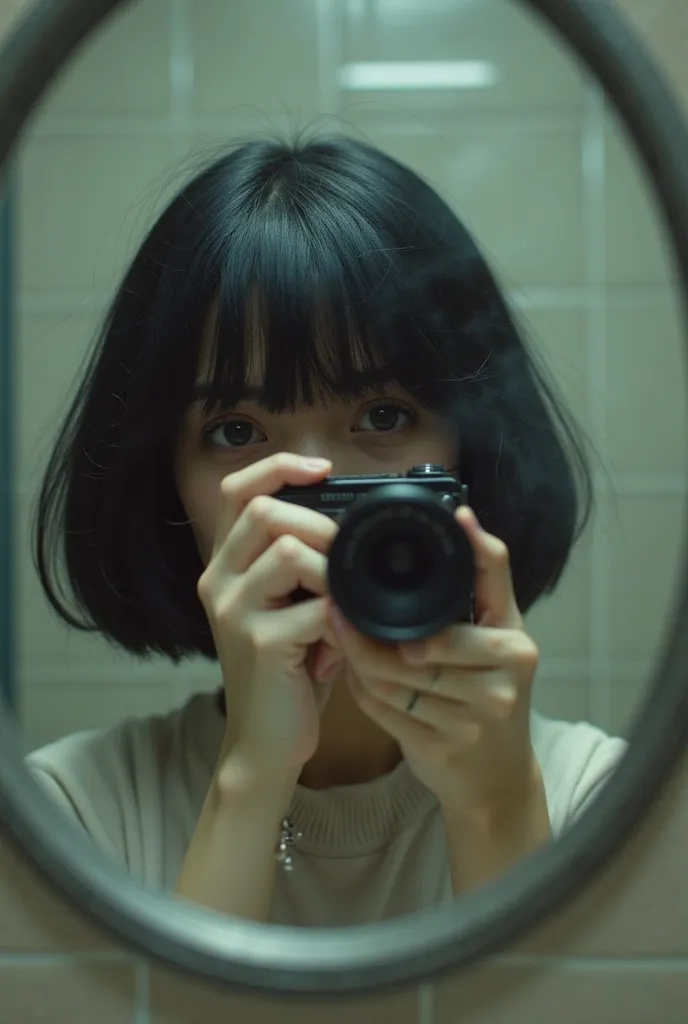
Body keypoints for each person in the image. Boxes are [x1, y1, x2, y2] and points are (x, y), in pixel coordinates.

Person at [25, 133, 626, 927]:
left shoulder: (608, 804)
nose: (312, 492)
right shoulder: (67, 820)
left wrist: (499, 807)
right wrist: (251, 779)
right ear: (163, 480)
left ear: (472, 448)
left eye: (383, 416)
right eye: (237, 430)